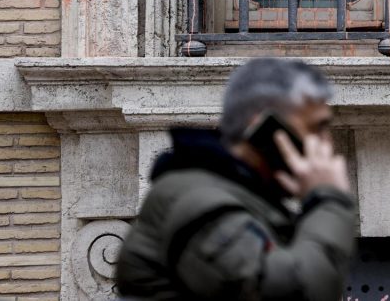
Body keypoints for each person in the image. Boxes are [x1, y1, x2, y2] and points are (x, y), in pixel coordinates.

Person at [115, 58, 357, 300]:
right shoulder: (195, 198)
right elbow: (293, 293)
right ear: (264, 124)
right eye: (316, 128)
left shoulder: (243, 198)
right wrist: (329, 200)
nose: (326, 143)